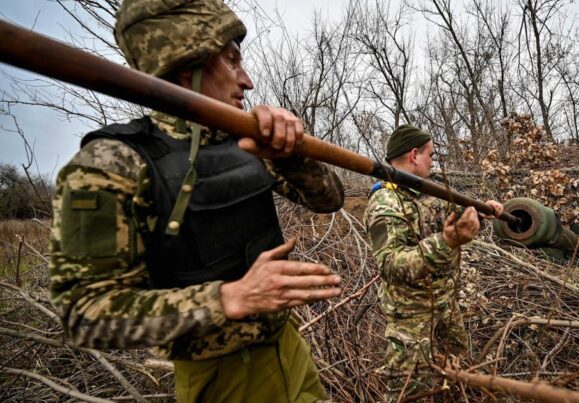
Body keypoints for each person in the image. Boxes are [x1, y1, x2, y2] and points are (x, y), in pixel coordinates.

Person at [49, 1, 345, 401]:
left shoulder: (245, 141)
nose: (248, 80)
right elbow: (82, 314)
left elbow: (329, 200)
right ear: (188, 60)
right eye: (231, 60)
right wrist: (229, 298)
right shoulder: (110, 164)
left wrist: (291, 156)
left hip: (288, 349)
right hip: (220, 378)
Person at [363, 125, 503, 401]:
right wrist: (447, 242)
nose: (433, 161)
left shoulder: (429, 190)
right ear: (414, 155)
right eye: (431, 155)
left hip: (446, 308)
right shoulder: (384, 203)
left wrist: (482, 211)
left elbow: (455, 215)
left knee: (458, 378)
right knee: (411, 394)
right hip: (412, 321)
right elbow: (392, 265)